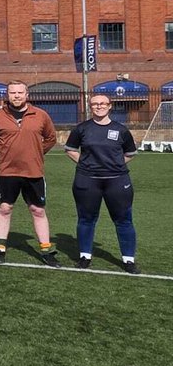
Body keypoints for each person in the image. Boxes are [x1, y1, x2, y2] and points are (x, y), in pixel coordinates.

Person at [0, 81, 60, 266]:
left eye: (20, 92)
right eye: (12, 92)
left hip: (34, 171)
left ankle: (46, 250)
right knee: (4, 208)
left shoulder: (41, 115)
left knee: (38, 210)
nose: (16, 96)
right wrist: (2, 151)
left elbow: (51, 138)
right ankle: (0, 248)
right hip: (7, 171)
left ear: (27, 95)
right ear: (7, 95)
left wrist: (36, 152)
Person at [65, 94, 140, 274]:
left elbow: (130, 153)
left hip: (117, 181)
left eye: (102, 104)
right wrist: (86, 164)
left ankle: (128, 260)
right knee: (86, 219)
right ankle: (85, 256)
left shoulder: (120, 130)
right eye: (95, 104)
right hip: (87, 181)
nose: (99, 107)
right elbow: (70, 150)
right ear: (90, 107)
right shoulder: (81, 129)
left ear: (110, 106)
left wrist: (114, 166)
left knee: (123, 220)